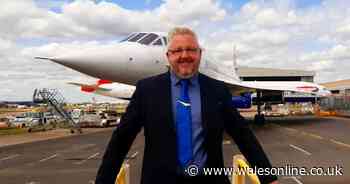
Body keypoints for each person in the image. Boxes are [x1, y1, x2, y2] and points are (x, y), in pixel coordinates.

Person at [95, 27, 278, 184]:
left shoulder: (217, 90)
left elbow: (243, 135)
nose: (185, 56)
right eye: (177, 51)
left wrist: (268, 177)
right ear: (168, 56)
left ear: (199, 54)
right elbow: (121, 139)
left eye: (191, 50)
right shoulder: (147, 89)